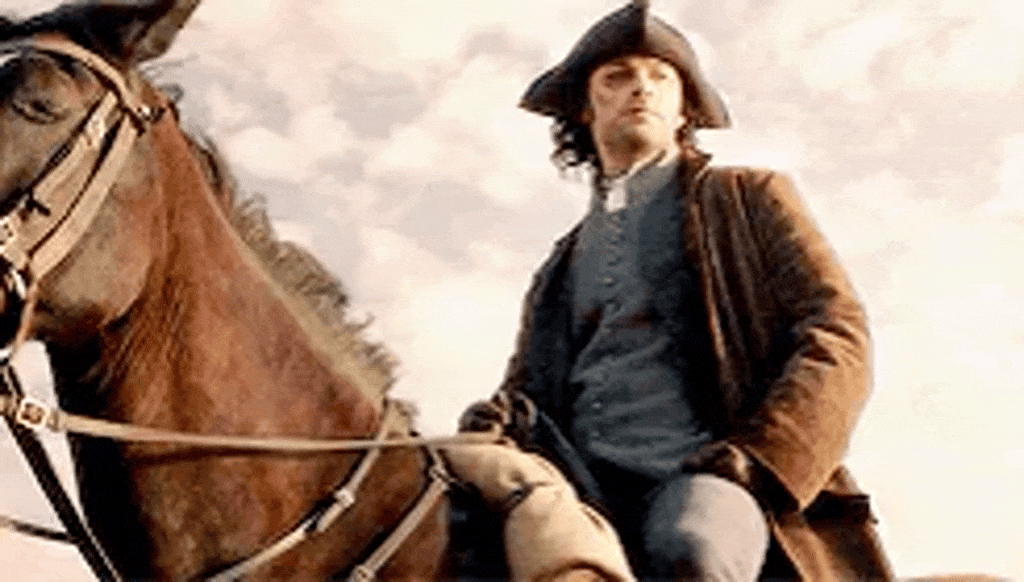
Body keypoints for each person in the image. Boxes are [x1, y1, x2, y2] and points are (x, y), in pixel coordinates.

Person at [450, 1, 894, 580]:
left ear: (684, 108)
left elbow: (837, 332)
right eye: (617, 77)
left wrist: (760, 459)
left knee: (690, 548)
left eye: (660, 77)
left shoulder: (749, 197)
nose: (641, 88)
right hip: (580, 492)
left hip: (713, 478)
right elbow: (527, 388)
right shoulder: (558, 266)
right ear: (585, 107)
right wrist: (495, 419)